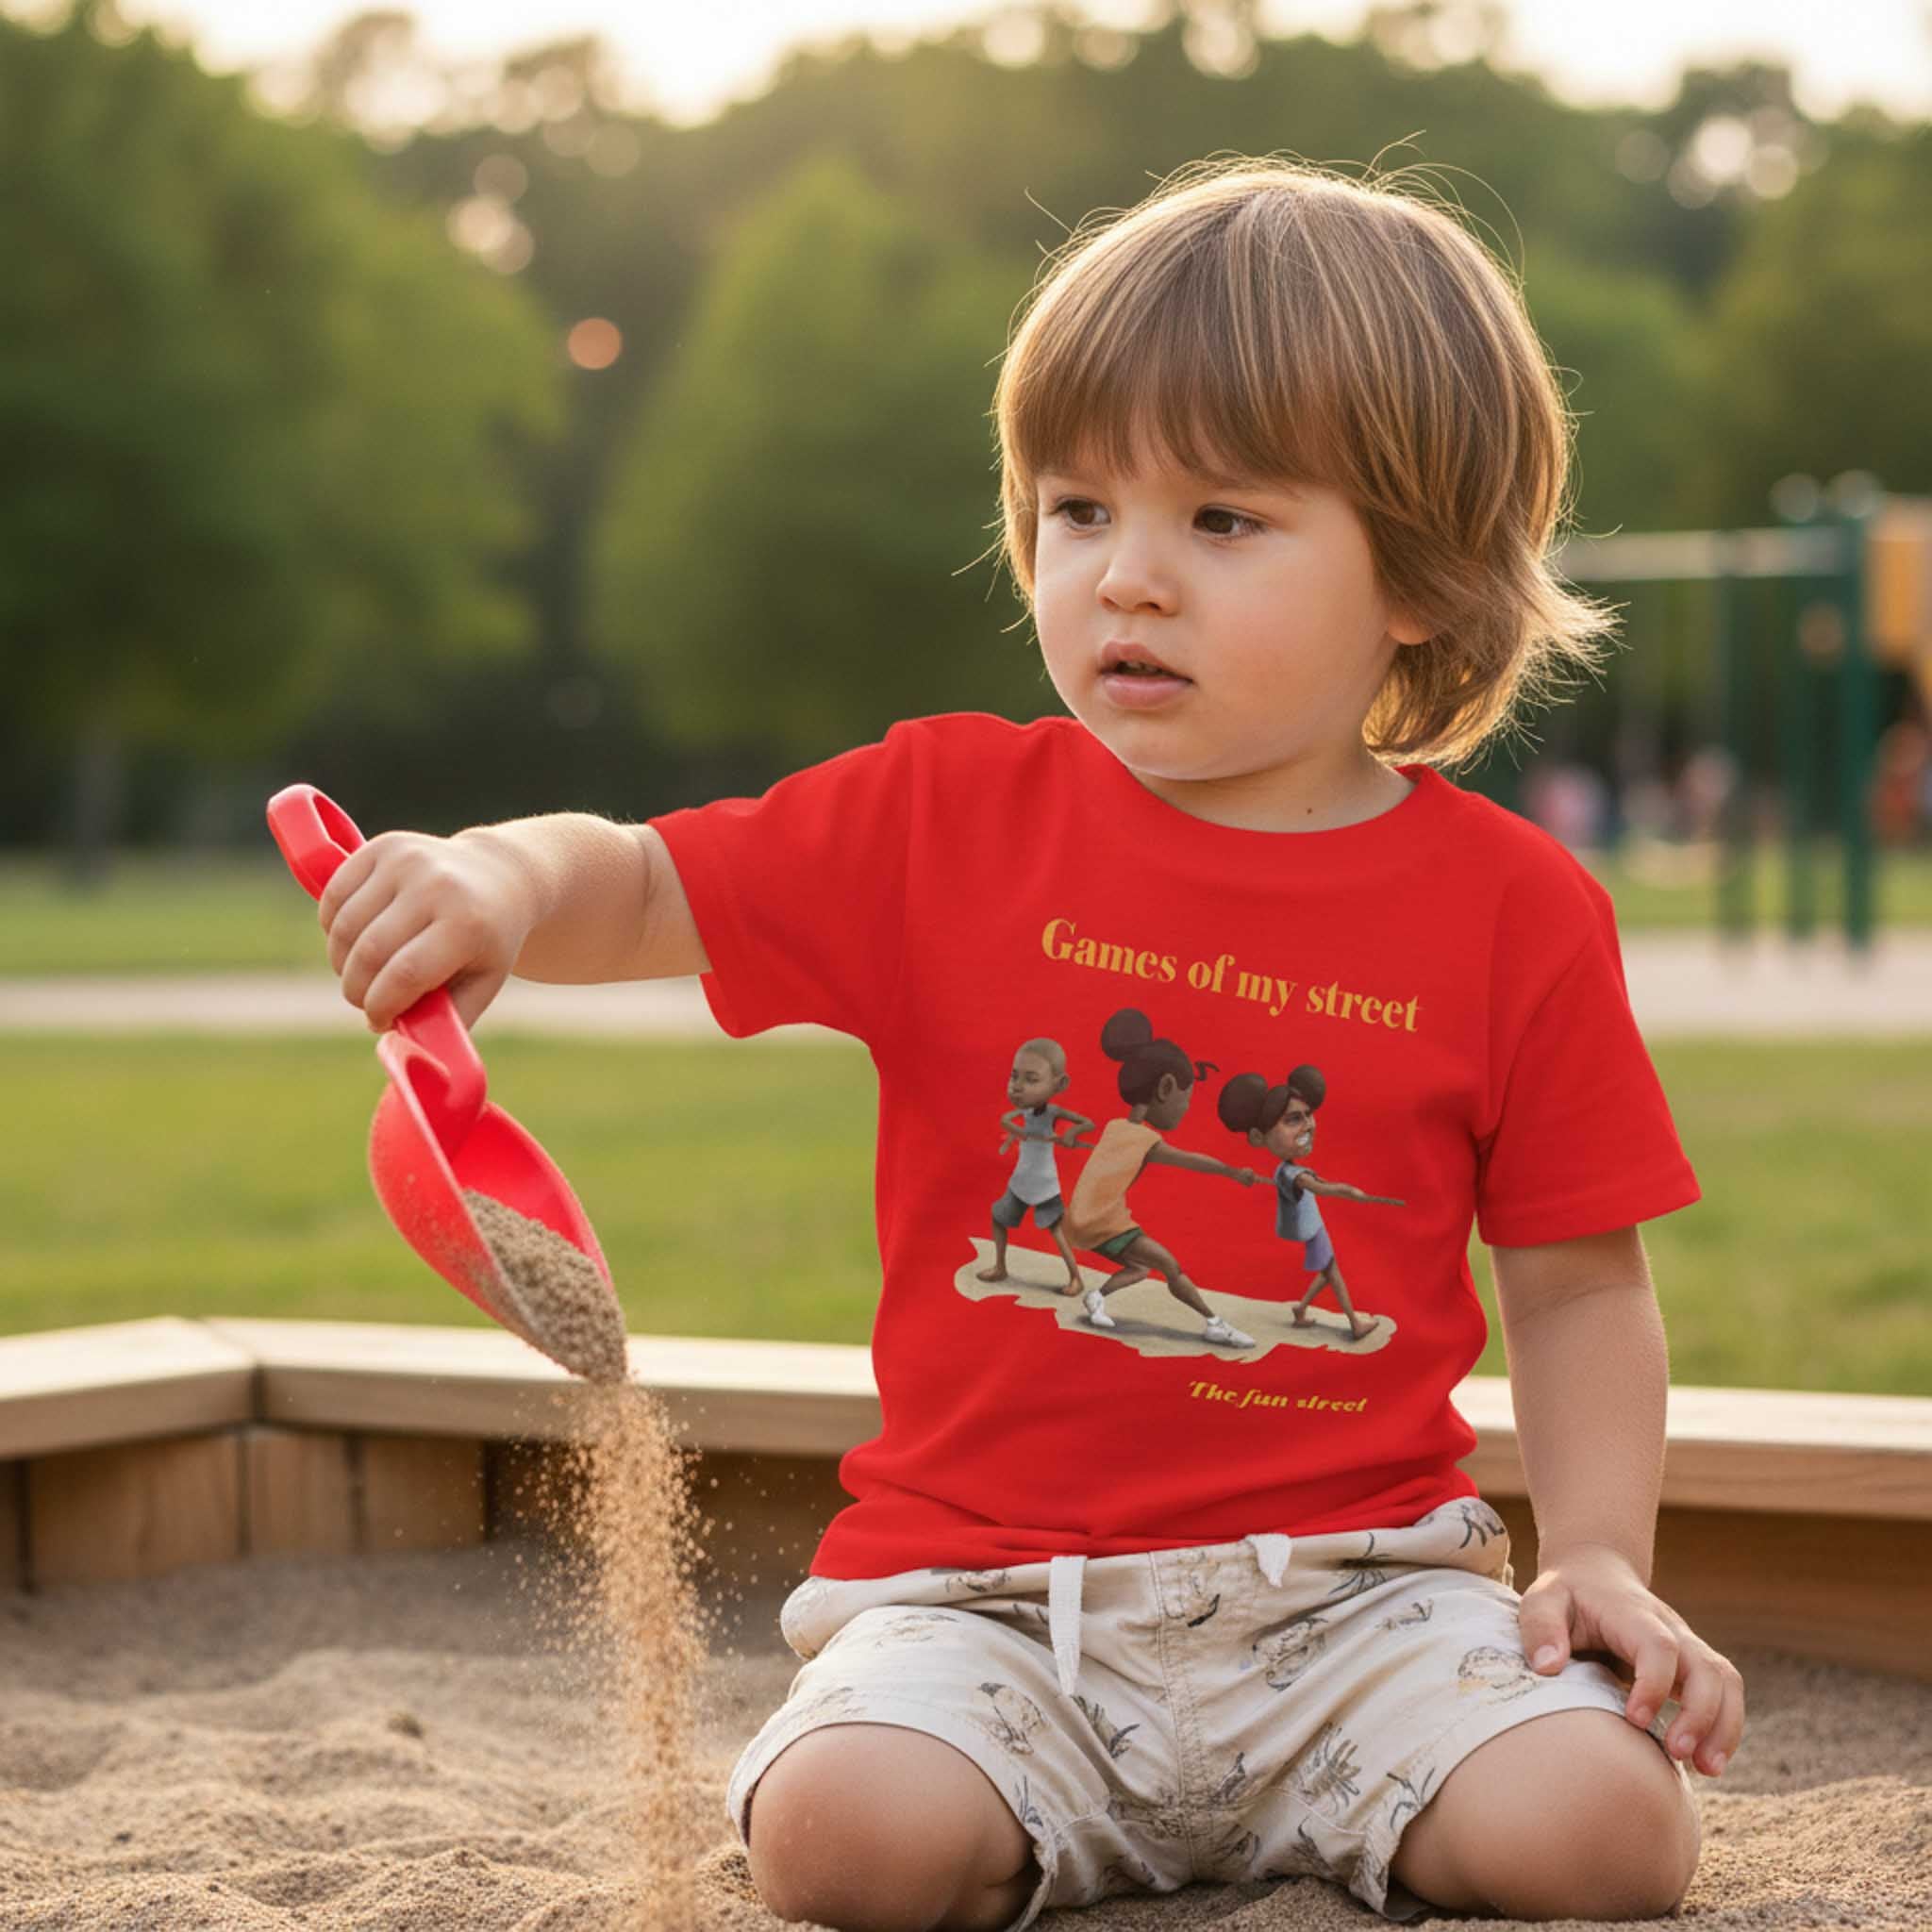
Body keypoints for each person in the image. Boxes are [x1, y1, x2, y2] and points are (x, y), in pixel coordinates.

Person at [313, 156, 1744, 1931]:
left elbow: (1580, 1285)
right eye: (1078, 509)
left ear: (1421, 584)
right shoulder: (943, 816)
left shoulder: (1513, 911)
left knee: (1602, 1835)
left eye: (1221, 521)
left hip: (1363, 1602)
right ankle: (1037, 1804)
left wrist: (1599, 1553)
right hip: (991, 1603)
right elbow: (648, 878)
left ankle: (1327, 1803)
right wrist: (496, 878)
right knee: (846, 1838)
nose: (1126, 579)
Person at [1215, 1063, 1403, 1341]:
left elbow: (1316, 1183)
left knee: (1327, 1271)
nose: (1307, 1125)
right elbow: (1318, 1188)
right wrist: (1351, 1192)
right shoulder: (1292, 1173)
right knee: (1332, 1272)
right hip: (1313, 1229)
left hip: (1313, 1227)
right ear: (1259, 1137)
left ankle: (1301, 1309)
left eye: (1308, 1115)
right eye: (1293, 1119)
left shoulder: (1286, 1169)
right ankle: (1355, 1322)